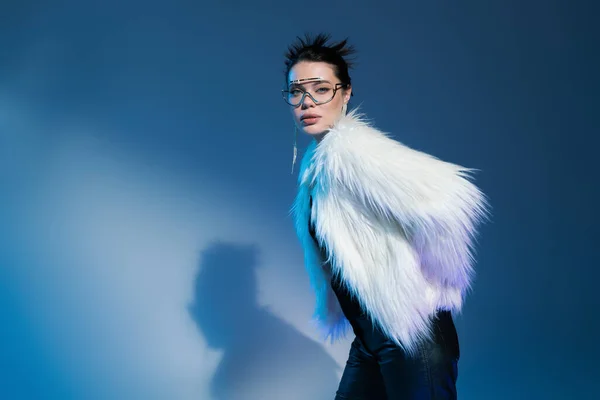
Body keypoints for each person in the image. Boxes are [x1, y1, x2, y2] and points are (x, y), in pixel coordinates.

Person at [283, 33, 489, 399]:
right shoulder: (319, 168)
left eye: (320, 89)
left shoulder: (352, 153)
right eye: (296, 91)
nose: (306, 101)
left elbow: (453, 197)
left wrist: (434, 287)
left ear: (346, 93)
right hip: (371, 340)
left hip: (411, 338)